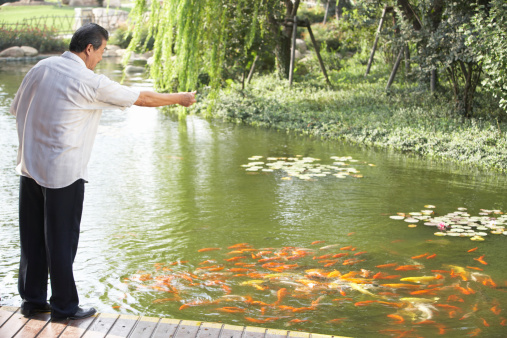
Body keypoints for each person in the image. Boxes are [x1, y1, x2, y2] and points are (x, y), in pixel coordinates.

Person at [10, 23, 196, 321]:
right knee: (60, 240)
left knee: (32, 239)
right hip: (62, 175)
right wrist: (180, 98)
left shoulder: (41, 68)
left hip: (29, 167)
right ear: (89, 49)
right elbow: (141, 98)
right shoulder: (89, 82)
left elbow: (16, 108)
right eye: (102, 51)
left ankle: (32, 302)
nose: (101, 58)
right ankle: (64, 307)